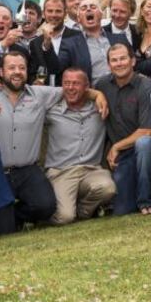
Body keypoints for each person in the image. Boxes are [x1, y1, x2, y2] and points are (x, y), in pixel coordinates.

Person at [0, 51, 108, 235]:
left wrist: (98, 95)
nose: (17, 72)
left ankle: (18, 215)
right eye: (11, 67)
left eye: (21, 68)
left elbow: (74, 88)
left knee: (46, 207)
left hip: (28, 170)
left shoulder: (41, 95)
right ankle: (8, 218)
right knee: (3, 231)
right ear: (2, 72)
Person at [43, 67, 116, 225]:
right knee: (65, 217)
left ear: (87, 86)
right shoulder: (51, 111)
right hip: (61, 172)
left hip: (91, 170)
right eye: (66, 83)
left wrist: (98, 94)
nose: (70, 88)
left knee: (108, 188)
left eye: (76, 83)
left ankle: (83, 212)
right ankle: (62, 213)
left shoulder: (100, 109)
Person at [93, 43, 151, 216]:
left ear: (133, 61)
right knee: (122, 210)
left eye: (123, 58)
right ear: (109, 65)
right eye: (114, 60)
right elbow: (85, 91)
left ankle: (147, 201)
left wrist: (115, 146)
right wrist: (97, 95)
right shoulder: (102, 85)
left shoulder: (146, 85)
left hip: (146, 151)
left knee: (144, 143)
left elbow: (147, 131)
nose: (119, 63)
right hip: (123, 156)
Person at [45, 0, 130, 83]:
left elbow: (133, 64)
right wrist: (47, 43)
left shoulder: (120, 38)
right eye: (83, 8)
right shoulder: (70, 44)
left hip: (123, 91)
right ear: (78, 18)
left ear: (101, 15)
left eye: (93, 7)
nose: (88, 9)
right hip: (92, 93)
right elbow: (55, 69)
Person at [30, 0, 81, 85]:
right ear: (43, 14)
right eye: (50, 11)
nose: (54, 15)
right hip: (45, 94)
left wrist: (47, 43)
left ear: (65, 14)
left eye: (58, 11)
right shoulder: (35, 43)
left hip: (71, 91)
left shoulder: (77, 37)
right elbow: (34, 71)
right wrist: (36, 81)